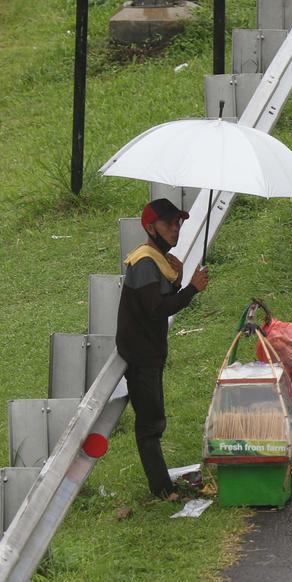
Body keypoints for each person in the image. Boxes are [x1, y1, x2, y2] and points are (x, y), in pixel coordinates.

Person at [116, 198, 209, 499]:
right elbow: (157, 309)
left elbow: (157, 301)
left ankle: (163, 486)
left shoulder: (157, 261)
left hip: (150, 352)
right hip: (142, 355)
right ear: (149, 227)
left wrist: (179, 280)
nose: (175, 229)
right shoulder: (144, 261)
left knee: (154, 420)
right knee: (150, 425)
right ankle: (162, 490)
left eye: (179, 223)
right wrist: (192, 288)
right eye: (168, 223)